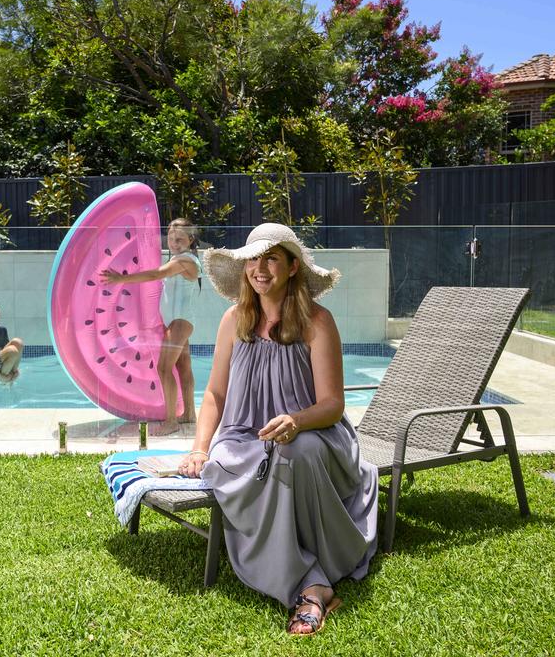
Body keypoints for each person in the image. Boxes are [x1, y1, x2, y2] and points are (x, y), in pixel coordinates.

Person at [178, 223, 378, 636]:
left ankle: (312, 586)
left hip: (316, 435)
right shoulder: (234, 320)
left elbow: (332, 405)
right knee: (238, 460)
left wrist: (296, 421)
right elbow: (215, 393)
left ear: (291, 267)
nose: (260, 268)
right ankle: (313, 581)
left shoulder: (317, 322)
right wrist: (200, 448)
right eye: (253, 258)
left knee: (294, 452)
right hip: (245, 437)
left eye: (271, 258)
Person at [101, 218, 202, 434]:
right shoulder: (180, 258)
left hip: (179, 322)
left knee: (164, 368)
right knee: (183, 367)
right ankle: (189, 414)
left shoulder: (185, 261)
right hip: (179, 321)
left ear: (191, 239)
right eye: (171, 239)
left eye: (180, 239)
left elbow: (156, 274)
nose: (174, 243)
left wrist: (121, 279)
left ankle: (171, 422)